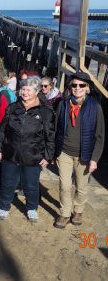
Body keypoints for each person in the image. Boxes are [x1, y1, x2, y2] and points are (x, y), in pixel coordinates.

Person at [0, 76, 55, 222]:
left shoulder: (45, 112)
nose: (24, 92)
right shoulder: (13, 107)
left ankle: (32, 208)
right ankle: (4, 207)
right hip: (11, 153)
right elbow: (2, 130)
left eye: (28, 89)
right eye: (23, 89)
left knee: (31, 185)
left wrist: (48, 156)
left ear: (37, 91)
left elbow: (50, 136)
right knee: (8, 183)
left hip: (33, 156)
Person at [53, 72, 105, 229]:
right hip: (64, 153)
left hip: (85, 155)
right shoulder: (63, 104)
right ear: (70, 87)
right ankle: (65, 213)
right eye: (74, 85)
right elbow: (56, 129)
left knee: (81, 187)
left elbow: (100, 135)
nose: (77, 88)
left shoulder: (95, 107)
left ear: (87, 88)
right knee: (64, 185)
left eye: (82, 85)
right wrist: (54, 152)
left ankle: (78, 210)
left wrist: (94, 158)